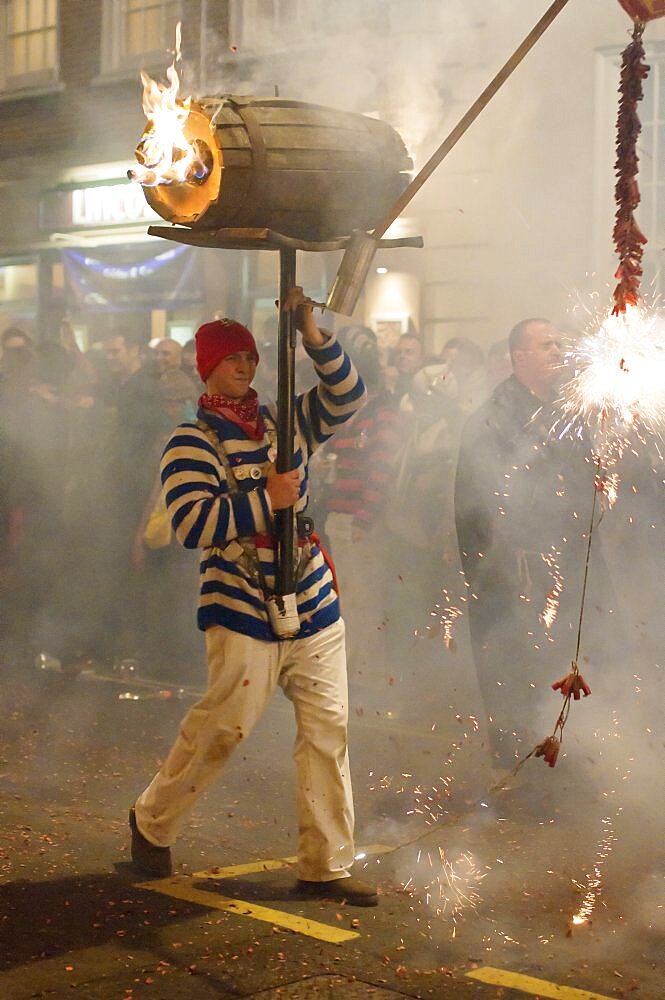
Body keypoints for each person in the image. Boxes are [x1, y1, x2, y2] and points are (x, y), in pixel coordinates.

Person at [128, 287, 377, 906]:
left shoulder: (284, 421)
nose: (245, 368)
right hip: (240, 601)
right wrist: (268, 499)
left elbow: (349, 396)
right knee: (225, 728)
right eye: (233, 359)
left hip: (313, 597)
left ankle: (325, 866)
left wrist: (314, 335)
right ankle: (151, 821)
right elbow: (191, 524)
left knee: (328, 730)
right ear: (208, 368)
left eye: (250, 358)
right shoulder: (190, 440)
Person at [454, 318, 600, 768]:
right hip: (514, 578)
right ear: (520, 358)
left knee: (559, 673)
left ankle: (563, 768)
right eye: (547, 345)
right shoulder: (494, 420)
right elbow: (477, 510)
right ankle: (516, 776)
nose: (559, 351)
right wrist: (507, 570)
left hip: (564, 571)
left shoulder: (565, 411)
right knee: (514, 678)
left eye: (560, 344)